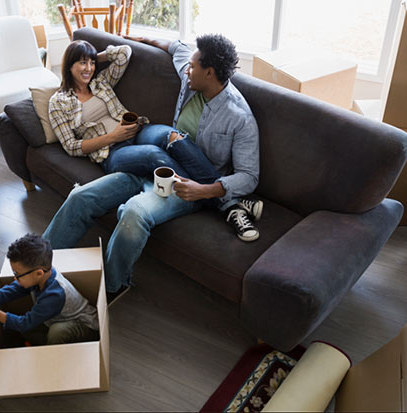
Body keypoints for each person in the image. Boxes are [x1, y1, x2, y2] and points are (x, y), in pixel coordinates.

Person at [43, 33, 262, 305]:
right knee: (80, 197)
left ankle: (114, 285)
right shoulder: (190, 74)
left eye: (193, 67)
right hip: (144, 163)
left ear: (209, 72)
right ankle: (32, 265)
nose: (187, 70)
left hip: (187, 187)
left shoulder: (239, 118)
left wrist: (205, 190)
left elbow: (249, 176)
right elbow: (175, 46)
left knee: (133, 211)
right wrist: (134, 37)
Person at [50, 39, 201, 178]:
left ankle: (216, 188)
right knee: (154, 155)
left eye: (92, 63)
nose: (89, 68)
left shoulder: (100, 82)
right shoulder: (58, 102)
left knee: (172, 135)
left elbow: (124, 52)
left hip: (137, 130)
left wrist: (93, 56)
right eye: (83, 63)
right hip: (112, 152)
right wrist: (113, 137)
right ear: (69, 65)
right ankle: (203, 195)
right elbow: (71, 146)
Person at [0, 233, 99, 345]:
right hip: (55, 318)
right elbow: (14, 289)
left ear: (38, 273)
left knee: (56, 332)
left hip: (84, 326)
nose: (14, 279)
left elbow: (25, 323)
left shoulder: (54, 294)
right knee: (22, 326)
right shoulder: (39, 277)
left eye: (17, 275)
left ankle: (53, 353)